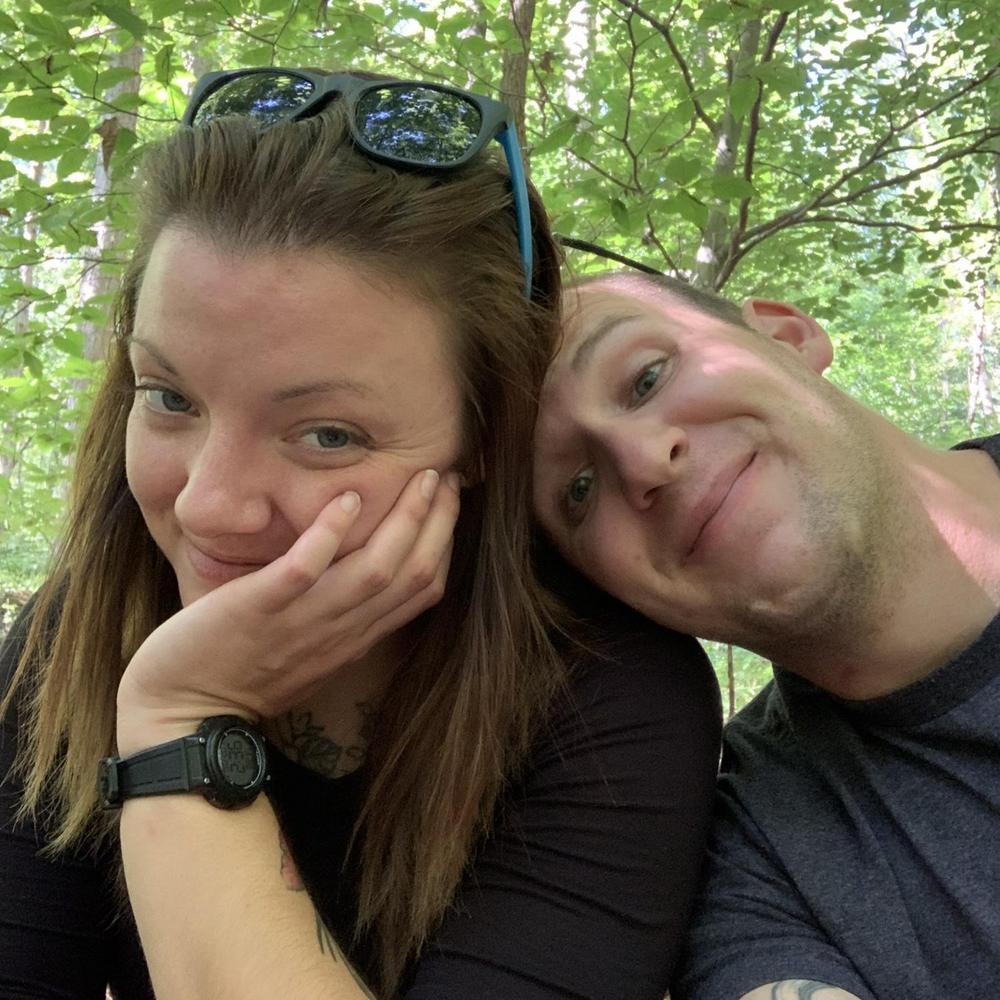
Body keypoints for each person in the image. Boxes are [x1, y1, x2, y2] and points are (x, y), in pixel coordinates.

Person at [0, 73, 722, 999]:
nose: (210, 507)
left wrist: (180, 722)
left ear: (483, 440)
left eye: (328, 435)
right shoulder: (82, 631)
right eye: (169, 397)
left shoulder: (605, 702)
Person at [531, 268, 1000, 1000]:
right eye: (579, 490)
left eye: (647, 377)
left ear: (788, 335)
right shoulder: (751, 866)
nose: (645, 461)